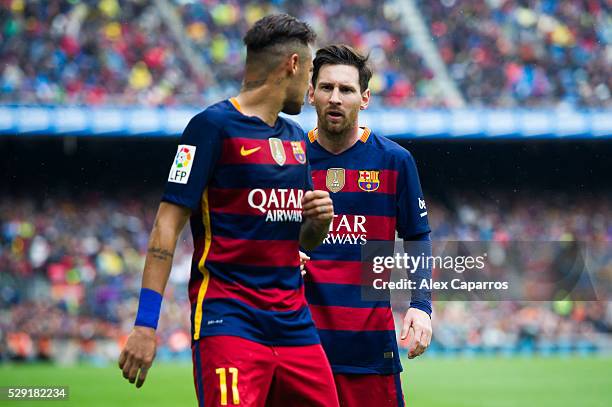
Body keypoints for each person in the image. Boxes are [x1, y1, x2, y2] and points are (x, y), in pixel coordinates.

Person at [119, 14, 340, 407]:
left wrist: (318, 223)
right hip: (230, 321)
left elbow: (301, 241)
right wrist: (144, 325)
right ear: (291, 65)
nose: (310, 88)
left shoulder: (296, 140)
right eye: (309, 71)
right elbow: (165, 228)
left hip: (294, 324)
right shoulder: (209, 128)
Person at [302, 44, 433, 406]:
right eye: (326, 87)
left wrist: (421, 304)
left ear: (365, 99)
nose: (335, 97)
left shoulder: (394, 160)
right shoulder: (290, 157)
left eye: (346, 89)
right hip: (299, 346)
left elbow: (417, 234)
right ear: (311, 93)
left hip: (370, 349)